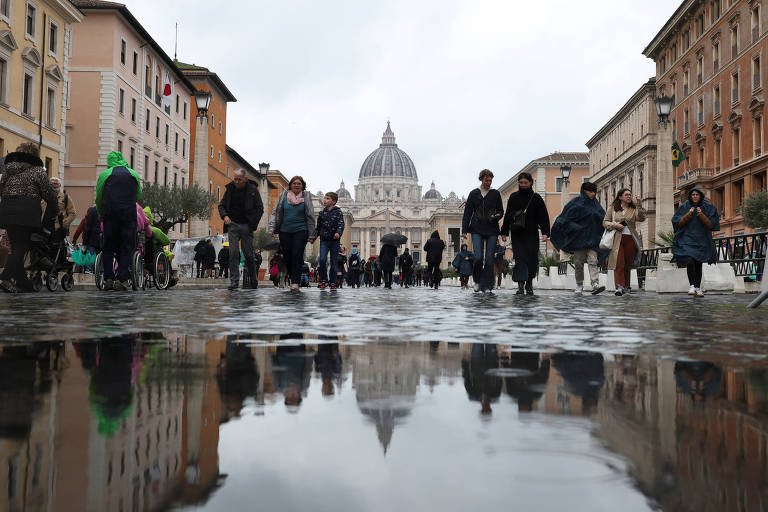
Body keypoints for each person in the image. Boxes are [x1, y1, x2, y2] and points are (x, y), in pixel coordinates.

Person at [0, 143, 58, 293]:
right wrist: (55, 208)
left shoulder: (8, 169)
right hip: (27, 210)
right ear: (34, 155)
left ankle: (23, 283)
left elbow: (1, 188)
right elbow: (49, 194)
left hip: (7, 208)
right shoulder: (38, 170)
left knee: (16, 245)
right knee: (21, 246)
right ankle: (5, 277)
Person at [94, 151, 141, 291]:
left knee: (108, 246)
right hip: (128, 215)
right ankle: (121, 279)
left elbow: (99, 197)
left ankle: (108, 278)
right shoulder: (134, 174)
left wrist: (101, 213)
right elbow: (138, 195)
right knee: (127, 246)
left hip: (110, 215)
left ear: (109, 161)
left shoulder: (105, 174)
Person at [550, 181, 606, 295]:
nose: (593, 194)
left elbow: (602, 218)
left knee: (593, 260)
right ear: (585, 191)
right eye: (591, 191)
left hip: (593, 239)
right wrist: (576, 227)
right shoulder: (575, 203)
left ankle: (595, 283)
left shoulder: (596, 204)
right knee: (578, 263)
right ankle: (579, 284)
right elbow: (565, 218)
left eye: (594, 191)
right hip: (579, 239)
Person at [501, 172, 550, 295]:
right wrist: (504, 232)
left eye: (525, 183)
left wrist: (545, 232)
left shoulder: (536, 198)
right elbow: (507, 215)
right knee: (520, 259)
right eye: (521, 183)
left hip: (532, 234)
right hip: (517, 234)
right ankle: (521, 285)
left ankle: (529, 283)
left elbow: (543, 216)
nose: (523, 185)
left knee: (532, 259)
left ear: (531, 183)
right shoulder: (513, 197)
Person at [219, 169, 264, 290]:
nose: (237, 181)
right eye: (235, 179)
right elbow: (221, 205)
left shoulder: (253, 190)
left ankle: (253, 279)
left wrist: (252, 225)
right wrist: (225, 216)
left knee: (248, 254)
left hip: (246, 226)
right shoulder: (230, 189)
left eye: (239, 179)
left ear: (245, 179)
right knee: (233, 253)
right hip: (232, 225)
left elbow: (260, 208)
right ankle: (234, 282)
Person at [671, 186, 720, 297]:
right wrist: (688, 215)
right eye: (692, 194)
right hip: (687, 239)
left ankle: (698, 288)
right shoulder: (685, 206)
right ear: (690, 196)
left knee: (699, 263)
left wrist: (701, 215)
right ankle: (692, 285)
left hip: (702, 239)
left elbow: (712, 225)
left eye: (697, 194)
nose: (694, 196)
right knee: (690, 260)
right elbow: (677, 223)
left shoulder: (708, 206)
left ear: (700, 196)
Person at [269, 175, 316, 291]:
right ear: (290, 185)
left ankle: (295, 282)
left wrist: (312, 234)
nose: (296, 185)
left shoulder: (306, 196)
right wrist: (272, 228)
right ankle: (292, 276)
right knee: (288, 257)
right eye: (294, 183)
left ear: (302, 186)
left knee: (297, 254)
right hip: (285, 231)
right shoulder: (284, 196)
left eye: (299, 183)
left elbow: (310, 215)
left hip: (301, 230)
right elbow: (275, 212)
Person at [462, 169, 504, 292]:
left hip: (492, 228)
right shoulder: (473, 194)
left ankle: (488, 285)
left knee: (490, 258)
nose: (489, 182)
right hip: (477, 228)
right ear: (481, 179)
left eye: (490, 180)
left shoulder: (495, 194)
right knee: (478, 257)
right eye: (486, 180)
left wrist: (497, 216)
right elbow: (467, 213)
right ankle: (477, 281)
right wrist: (464, 230)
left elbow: (501, 211)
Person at [603, 188, 646, 296]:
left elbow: (641, 218)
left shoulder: (633, 208)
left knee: (628, 264)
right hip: (617, 238)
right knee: (619, 263)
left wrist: (639, 205)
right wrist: (614, 224)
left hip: (630, 238)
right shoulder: (613, 208)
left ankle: (626, 286)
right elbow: (605, 222)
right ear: (620, 197)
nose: (629, 196)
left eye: (630, 195)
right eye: (626, 195)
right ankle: (619, 286)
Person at [315, 191, 345, 289]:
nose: (325, 200)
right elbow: (318, 228)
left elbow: (341, 225)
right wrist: (313, 237)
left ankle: (333, 281)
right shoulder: (322, 213)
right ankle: (323, 279)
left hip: (334, 241)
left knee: (334, 262)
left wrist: (338, 233)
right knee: (322, 259)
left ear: (334, 201)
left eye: (327, 198)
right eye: (325, 198)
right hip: (324, 240)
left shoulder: (338, 212)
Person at [72, 204, 102, 272]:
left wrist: (75, 239)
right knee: (98, 256)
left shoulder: (85, 220)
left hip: (90, 241)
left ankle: (89, 270)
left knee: (90, 255)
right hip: (100, 240)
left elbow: (79, 230)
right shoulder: (100, 218)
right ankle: (96, 271)